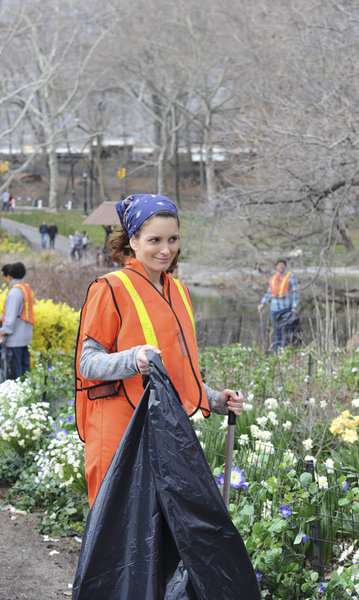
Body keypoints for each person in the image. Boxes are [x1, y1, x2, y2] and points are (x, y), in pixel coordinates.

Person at [75, 194, 244, 508]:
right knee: (117, 534)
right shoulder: (109, 288)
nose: (166, 249)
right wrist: (133, 359)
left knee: (158, 533)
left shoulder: (178, 290)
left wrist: (216, 400)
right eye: (155, 239)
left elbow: (177, 371)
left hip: (164, 428)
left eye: (173, 239)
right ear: (133, 241)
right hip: (118, 427)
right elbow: (87, 363)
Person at [0, 262, 34, 379]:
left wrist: (3, 335)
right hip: (26, 337)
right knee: (25, 372)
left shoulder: (14, 292)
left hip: (15, 339)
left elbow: (10, 318)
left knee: (16, 374)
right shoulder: (26, 289)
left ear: (10, 275)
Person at [257, 258, 299, 353]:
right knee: (276, 332)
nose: (281, 266)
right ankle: (276, 353)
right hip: (274, 309)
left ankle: (285, 353)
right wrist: (262, 303)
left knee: (286, 332)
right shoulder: (273, 278)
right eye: (279, 264)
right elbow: (269, 293)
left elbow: (296, 293)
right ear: (276, 266)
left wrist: (295, 307)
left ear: (285, 266)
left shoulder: (291, 277)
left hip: (286, 309)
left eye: (283, 264)